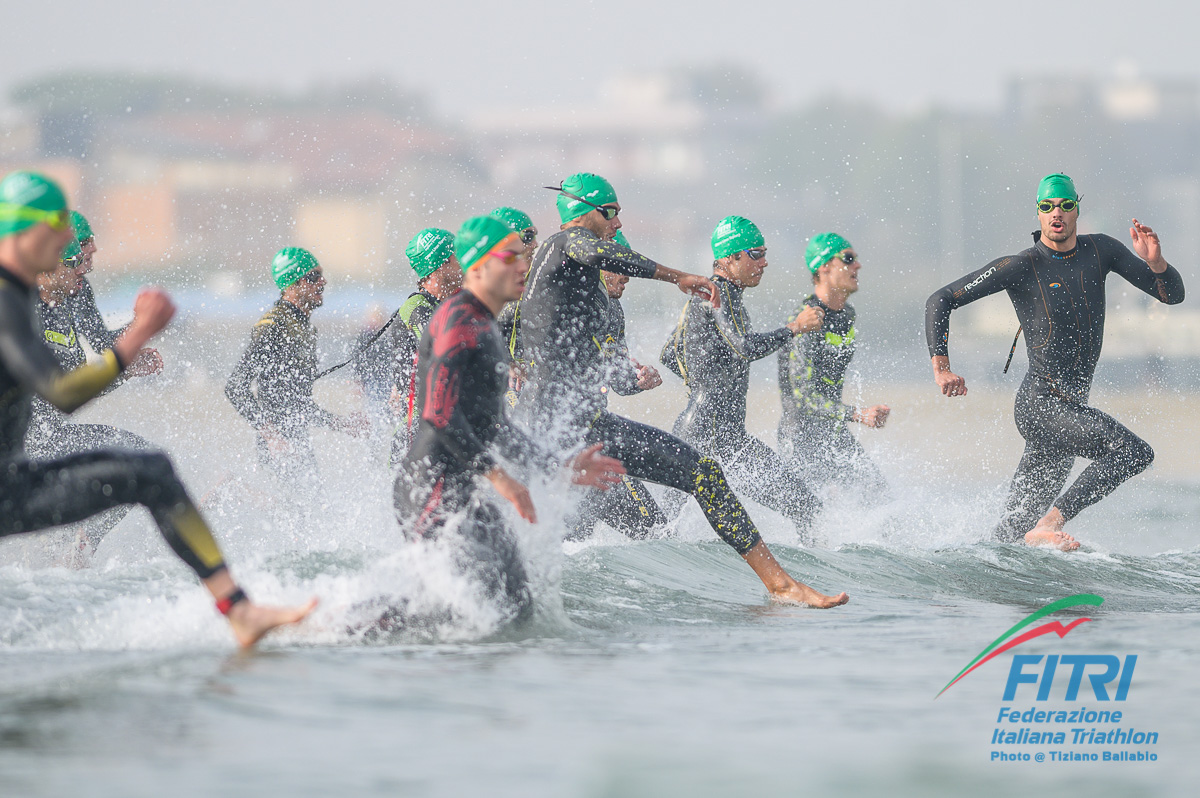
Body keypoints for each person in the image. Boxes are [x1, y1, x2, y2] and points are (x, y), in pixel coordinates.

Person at [0, 170, 314, 647]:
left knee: (152, 470)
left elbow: (78, 371)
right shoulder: (8, 303)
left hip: (15, 477)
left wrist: (126, 348)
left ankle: (240, 609)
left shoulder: (32, 295)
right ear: (27, 230)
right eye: (60, 225)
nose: (73, 239)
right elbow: (61, 391)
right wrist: (137, 337)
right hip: (24, 459)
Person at [519, 174, 848, 607]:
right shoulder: (564, 245)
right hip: (560, 425)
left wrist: (638, 377)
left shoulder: (587, 297)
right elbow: (590, 251)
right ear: (582, 212)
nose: (617, 224)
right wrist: (676, 275)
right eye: (611, 213)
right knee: (581, 519)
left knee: (691, 488)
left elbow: (644, 359)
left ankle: (781, 585)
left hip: (583, 423)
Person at [925, 173, 1185, 550]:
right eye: (1047, 207)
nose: (1056, 213)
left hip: (1068, 410)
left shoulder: (1103, 251)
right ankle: (1051, 522)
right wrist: (941, 367)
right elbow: (940, 299)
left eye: (1064, 205)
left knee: (1010, 539)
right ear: (1038, 213)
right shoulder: (1022, 265)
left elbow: (1171, 296)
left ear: (1077, 208)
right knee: (1132, 452)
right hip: (1041, 404)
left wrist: (1157, 263)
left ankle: (969, 572)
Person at [393, 215, 625, 622]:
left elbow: (494, 426)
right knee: (437, 616)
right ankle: (333, 629)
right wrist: (500, 477)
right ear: (476, 266)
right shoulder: (456, 321)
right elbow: (439, 415)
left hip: (464, 491)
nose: (523, 266)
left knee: (517, 608)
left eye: (524, 255)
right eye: (510, 257)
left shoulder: (486, 326)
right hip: (428, 490)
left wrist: (559, 467)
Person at [663, 216, 826, 542]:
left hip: (699, 431)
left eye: (764, 252)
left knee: (665, 529)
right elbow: (745, 347)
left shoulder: (707, 295)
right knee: (806, 507)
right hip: (718, 439)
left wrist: (702, 382)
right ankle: (808, 582)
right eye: (755, 253)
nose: (764, 262)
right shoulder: (719, 293)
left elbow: (669, 353)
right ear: (729, 257)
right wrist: (794, 328)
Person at [24, 242, 160, 562]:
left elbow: (75, 385)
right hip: (30, 440)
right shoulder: (27, 313)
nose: (85, 269)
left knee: (139, 459)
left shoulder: (64, 310)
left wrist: (126, 368)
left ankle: (74, 545)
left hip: (49, 433)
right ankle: (74, 544)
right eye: (76, 261)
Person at [225, 247, 366, 486]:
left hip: (297, 440)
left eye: (320, 275)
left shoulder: (302, 327)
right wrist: (271, 436)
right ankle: (236, 489)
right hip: (279, 446)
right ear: (291, 285)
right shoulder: (273, 327)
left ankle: (240, 490)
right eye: (313, 277)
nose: (322, 282)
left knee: (309, 511)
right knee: (296, 513)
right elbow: (235, 386)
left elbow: (295, 403)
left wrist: (340, 424)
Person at [566, 247, 672, 540]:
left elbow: (619, 380)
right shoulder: (572, 301)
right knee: (655, 535)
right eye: (619, 267)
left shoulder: (613, 311)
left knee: (655, 534)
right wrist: (514, 362)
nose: (627, 276)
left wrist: (638, 379)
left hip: (595, 438)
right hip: (569, 441)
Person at [777, 232, 890, 497]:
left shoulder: (847, 315)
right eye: (848, 259)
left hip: (834, 433)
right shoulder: (805, 319)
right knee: (815, 519)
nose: (857, 266)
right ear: (823, 266)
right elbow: (803, 398)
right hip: (801, 439)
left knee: (880, 498)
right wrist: (858, 414)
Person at [388, 228, 463, 464]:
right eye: (458, 257)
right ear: (441, 265)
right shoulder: (416, 308)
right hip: (416, 437)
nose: (464, 264)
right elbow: (445, 354)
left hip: (440, 429)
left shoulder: (447, 306)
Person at [66, 210, 163, 376]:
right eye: (84, 242)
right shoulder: (33, 302)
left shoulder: (80, 288)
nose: (94, 248)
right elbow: (63, 390)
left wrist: (141, 325)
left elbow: (100, 342)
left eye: (92, 240)